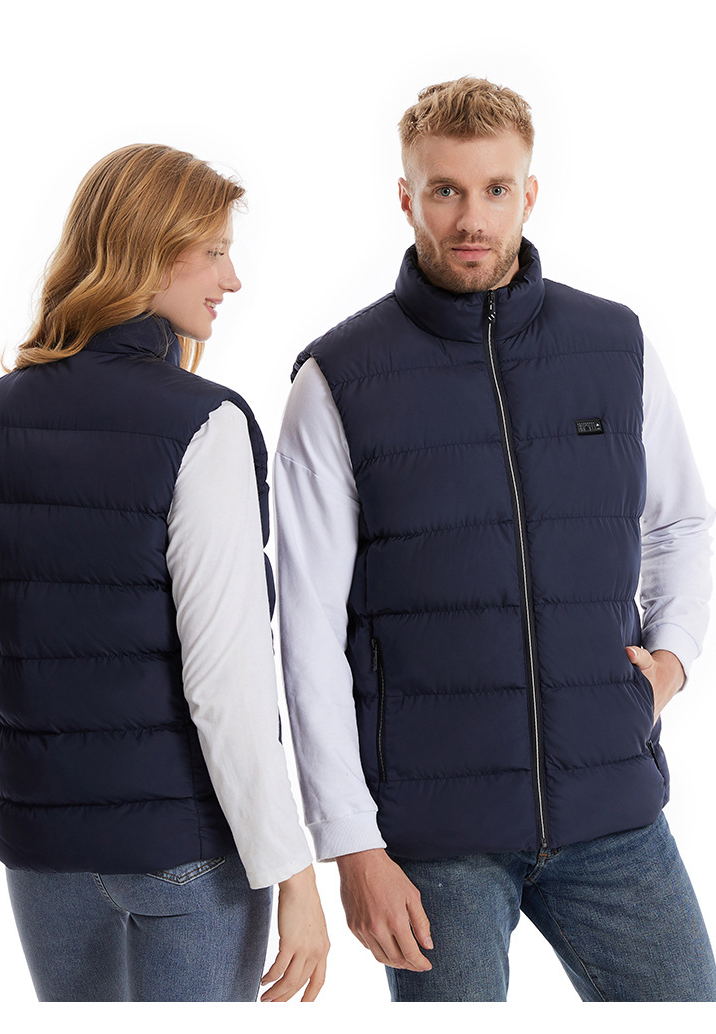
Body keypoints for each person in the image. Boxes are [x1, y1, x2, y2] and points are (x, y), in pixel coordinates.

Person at [275, 77, 716, 1002]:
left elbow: (680, 520)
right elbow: (306, 633)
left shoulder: (615, 346)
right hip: (436, 839)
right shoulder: (338, 380)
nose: (471, 218)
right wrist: (351, 845)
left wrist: (672, 660)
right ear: (406, 197)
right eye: (445, 190)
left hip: (613, 812)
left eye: (495, 189)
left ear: (529, 193)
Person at [0, 143, 328, 1003]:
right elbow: (225, 682)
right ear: (151, 250)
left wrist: (46, 789)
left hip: (43, 857)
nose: (231, 279)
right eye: (214, 251)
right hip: (185, 853)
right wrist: (293, 872)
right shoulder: (204, 423)